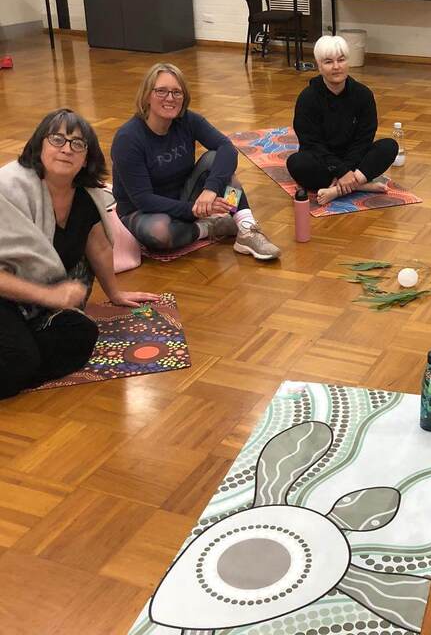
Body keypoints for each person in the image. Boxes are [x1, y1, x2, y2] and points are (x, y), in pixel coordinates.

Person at [0, 109, 159, 399]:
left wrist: (115, 294)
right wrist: (50, 297)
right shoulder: (8, 189)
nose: (66, 149)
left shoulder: (86, 195)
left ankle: (22, 356)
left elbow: (98, 246)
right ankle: (21, 360)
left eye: (77, 143)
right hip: (7, 296)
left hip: (33, 307)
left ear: (86, 157)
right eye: (57, 139)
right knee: (19, 360)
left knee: (82, 334)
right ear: (40, 145)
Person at [111, 63, 280, 260]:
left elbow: (227, 149)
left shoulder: (188, 120)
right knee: (160, 233)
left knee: (221, 167)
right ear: (147, 95)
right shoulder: (128, 139)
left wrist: (210, 189)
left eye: (177, 92)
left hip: (185, 196)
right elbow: (143, 199)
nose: (170, 98)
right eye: (161, 91)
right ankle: (209, 228)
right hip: (143, 210)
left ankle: (246, 227)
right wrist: (192, 209)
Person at [287, 35, 398, 205]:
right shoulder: (307, 98)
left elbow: (364, 138)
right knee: (297, 162)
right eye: (329, 62)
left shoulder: (363, 94)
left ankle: (337, 190)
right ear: (319, 66)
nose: (336, 67)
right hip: (323, 162)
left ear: (348, 62)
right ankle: (360, 185)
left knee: (389, 146)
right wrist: (340, 171)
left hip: (355, 160)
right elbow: (311, 143)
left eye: (341, 60)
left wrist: (347, 171)